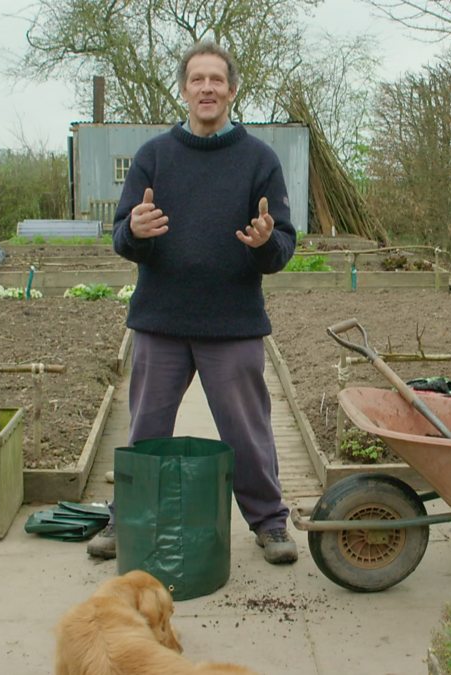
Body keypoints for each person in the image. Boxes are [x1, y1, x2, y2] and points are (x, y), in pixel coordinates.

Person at [87, 40, 299, 565]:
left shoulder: (259, 160)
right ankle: (126, 518)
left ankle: (270, 523)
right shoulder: (154, 156)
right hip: (161, 320)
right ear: (184, 90)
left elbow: (283, 248)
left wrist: (264, 241)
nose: (207, 88)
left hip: (233, 323)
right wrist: (135, 230)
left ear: (231, 90)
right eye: (197, 79)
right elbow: (121, 235)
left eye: (217, 80)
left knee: (248, 432)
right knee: (146, 430)